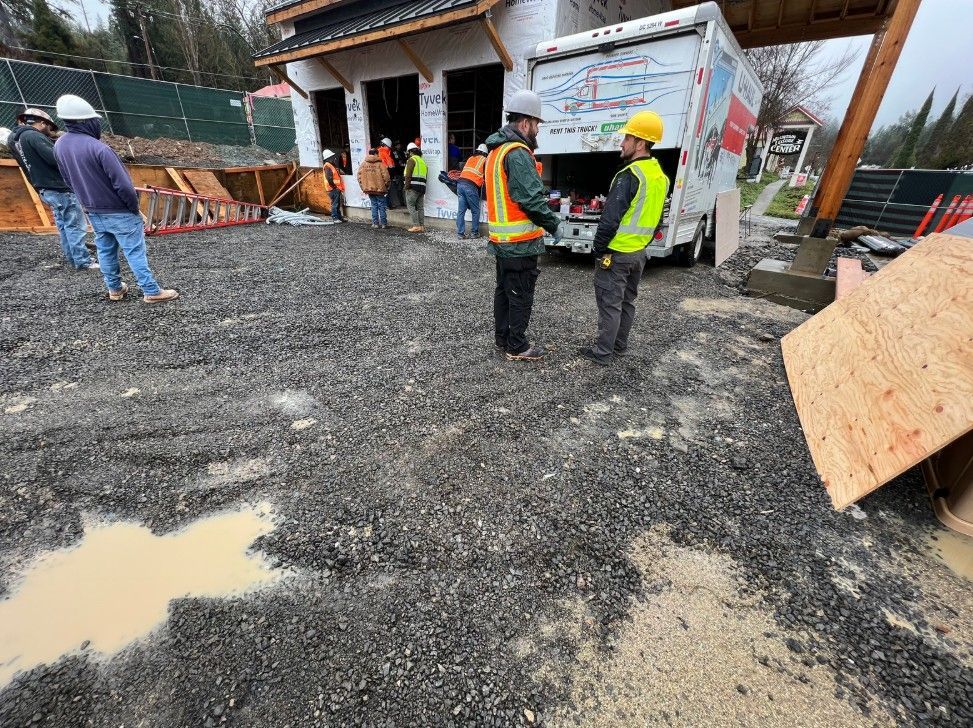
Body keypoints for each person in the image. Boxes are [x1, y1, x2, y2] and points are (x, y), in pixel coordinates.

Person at [53, 94, 178, 303]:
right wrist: (133, 207)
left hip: (93, 210)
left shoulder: (60, 146)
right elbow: (124, 185)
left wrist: (86, 203)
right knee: (134, 251)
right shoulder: (99, 148)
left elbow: (67, 179)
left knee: (105, 249)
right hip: (118, 210)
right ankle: (151, 290)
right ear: (87, 121)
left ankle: (115, 288)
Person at [578, 111, 668, 365]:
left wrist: (598, 249)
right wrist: (643, 244)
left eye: (627, 137)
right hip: (638, 253)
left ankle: (603, 352)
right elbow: (658, 219)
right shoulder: (659, 177)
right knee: (627, 301)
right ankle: (618, 346)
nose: (621, 142)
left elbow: (610, 218)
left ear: (640, 143)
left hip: (616, 253)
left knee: (610, 302)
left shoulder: (629, 175)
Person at [484, 90, 563, 362]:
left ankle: (503, 338)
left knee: (505, 291)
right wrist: (553, 223)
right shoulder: (517, 153)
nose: (538, 130)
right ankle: (516, 346)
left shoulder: (496, 151)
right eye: (537, 124)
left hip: (502, 242)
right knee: (520, 294)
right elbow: (530, 198)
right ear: (526, 123)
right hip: (520, 244)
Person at [8, 108, 98, 271]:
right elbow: (55, 158)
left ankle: (73, 258)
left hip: (46, 189)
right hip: (58, 187)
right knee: (75, 225)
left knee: (64, 226)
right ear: (42, 123)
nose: (50, 131)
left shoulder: (20, 139)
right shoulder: (34, 136)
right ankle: (83, 261)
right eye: (49, 126)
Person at [456, 143, 487, 239]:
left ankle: (460, 234)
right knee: (475, 210)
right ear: (485, 153)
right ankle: (474, 233)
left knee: (461, 211)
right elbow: (487, 175)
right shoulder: (485, 160)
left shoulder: (470, 158)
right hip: (471, 186)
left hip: (460, 184)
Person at [357, 148, 391, 228]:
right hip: (380, 189)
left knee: (374, 205)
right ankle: (383, 224)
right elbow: (386, 177)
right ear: (376, 154)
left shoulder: (363, 164)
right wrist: (386, 186)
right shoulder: (380, 164)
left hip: (369, 189)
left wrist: (363, 187)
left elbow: (359, 177)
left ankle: (375, 223)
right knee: (381, 205)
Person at [403, 142, 426, 233]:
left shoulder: (411, 160)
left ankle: (416, 226)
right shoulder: (422, 161)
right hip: (422, 188)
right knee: (420, 207)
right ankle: (421, 226)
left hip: (413, 187)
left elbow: (408, 175)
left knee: (411, 206)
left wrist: (406, 187)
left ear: (410, 152)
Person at [322, 149, 344, 223]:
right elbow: (329, 178)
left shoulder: (330, 165)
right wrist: (334, 187)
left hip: (334, 188)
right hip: (333, 188)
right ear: (329, 157)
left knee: (337, 204)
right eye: (332, 156)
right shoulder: (328, 166)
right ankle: (335, 218)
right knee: (335, 204)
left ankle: (339, 218)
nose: (333, 157)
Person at [377, 138, 399, 208]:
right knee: (386, 192)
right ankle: (388, 205)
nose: (389, 148)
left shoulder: (379, 152)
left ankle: (387, 205)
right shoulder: (384, 154)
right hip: (385, 175)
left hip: (382, 175)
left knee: (385, 192)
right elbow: (390, 166)